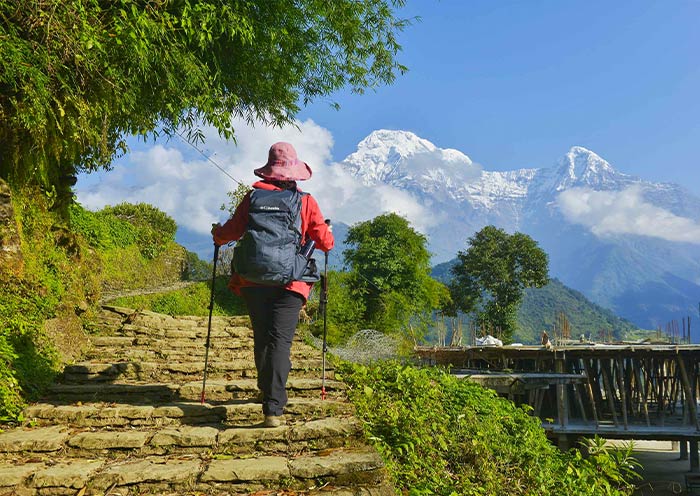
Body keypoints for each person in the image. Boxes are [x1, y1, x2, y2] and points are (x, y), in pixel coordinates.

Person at [212, 142, 334, 427]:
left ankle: (267, 391)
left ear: (269, 171)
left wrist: (217, 234)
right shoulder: (305, 202)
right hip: (291, 283)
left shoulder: (253, 198)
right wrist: (326, 232)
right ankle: (273, 408)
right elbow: (325, 242)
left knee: (262, 337)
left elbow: (229, 232)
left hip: (253, 280)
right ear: (294, 173)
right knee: (280, 342)